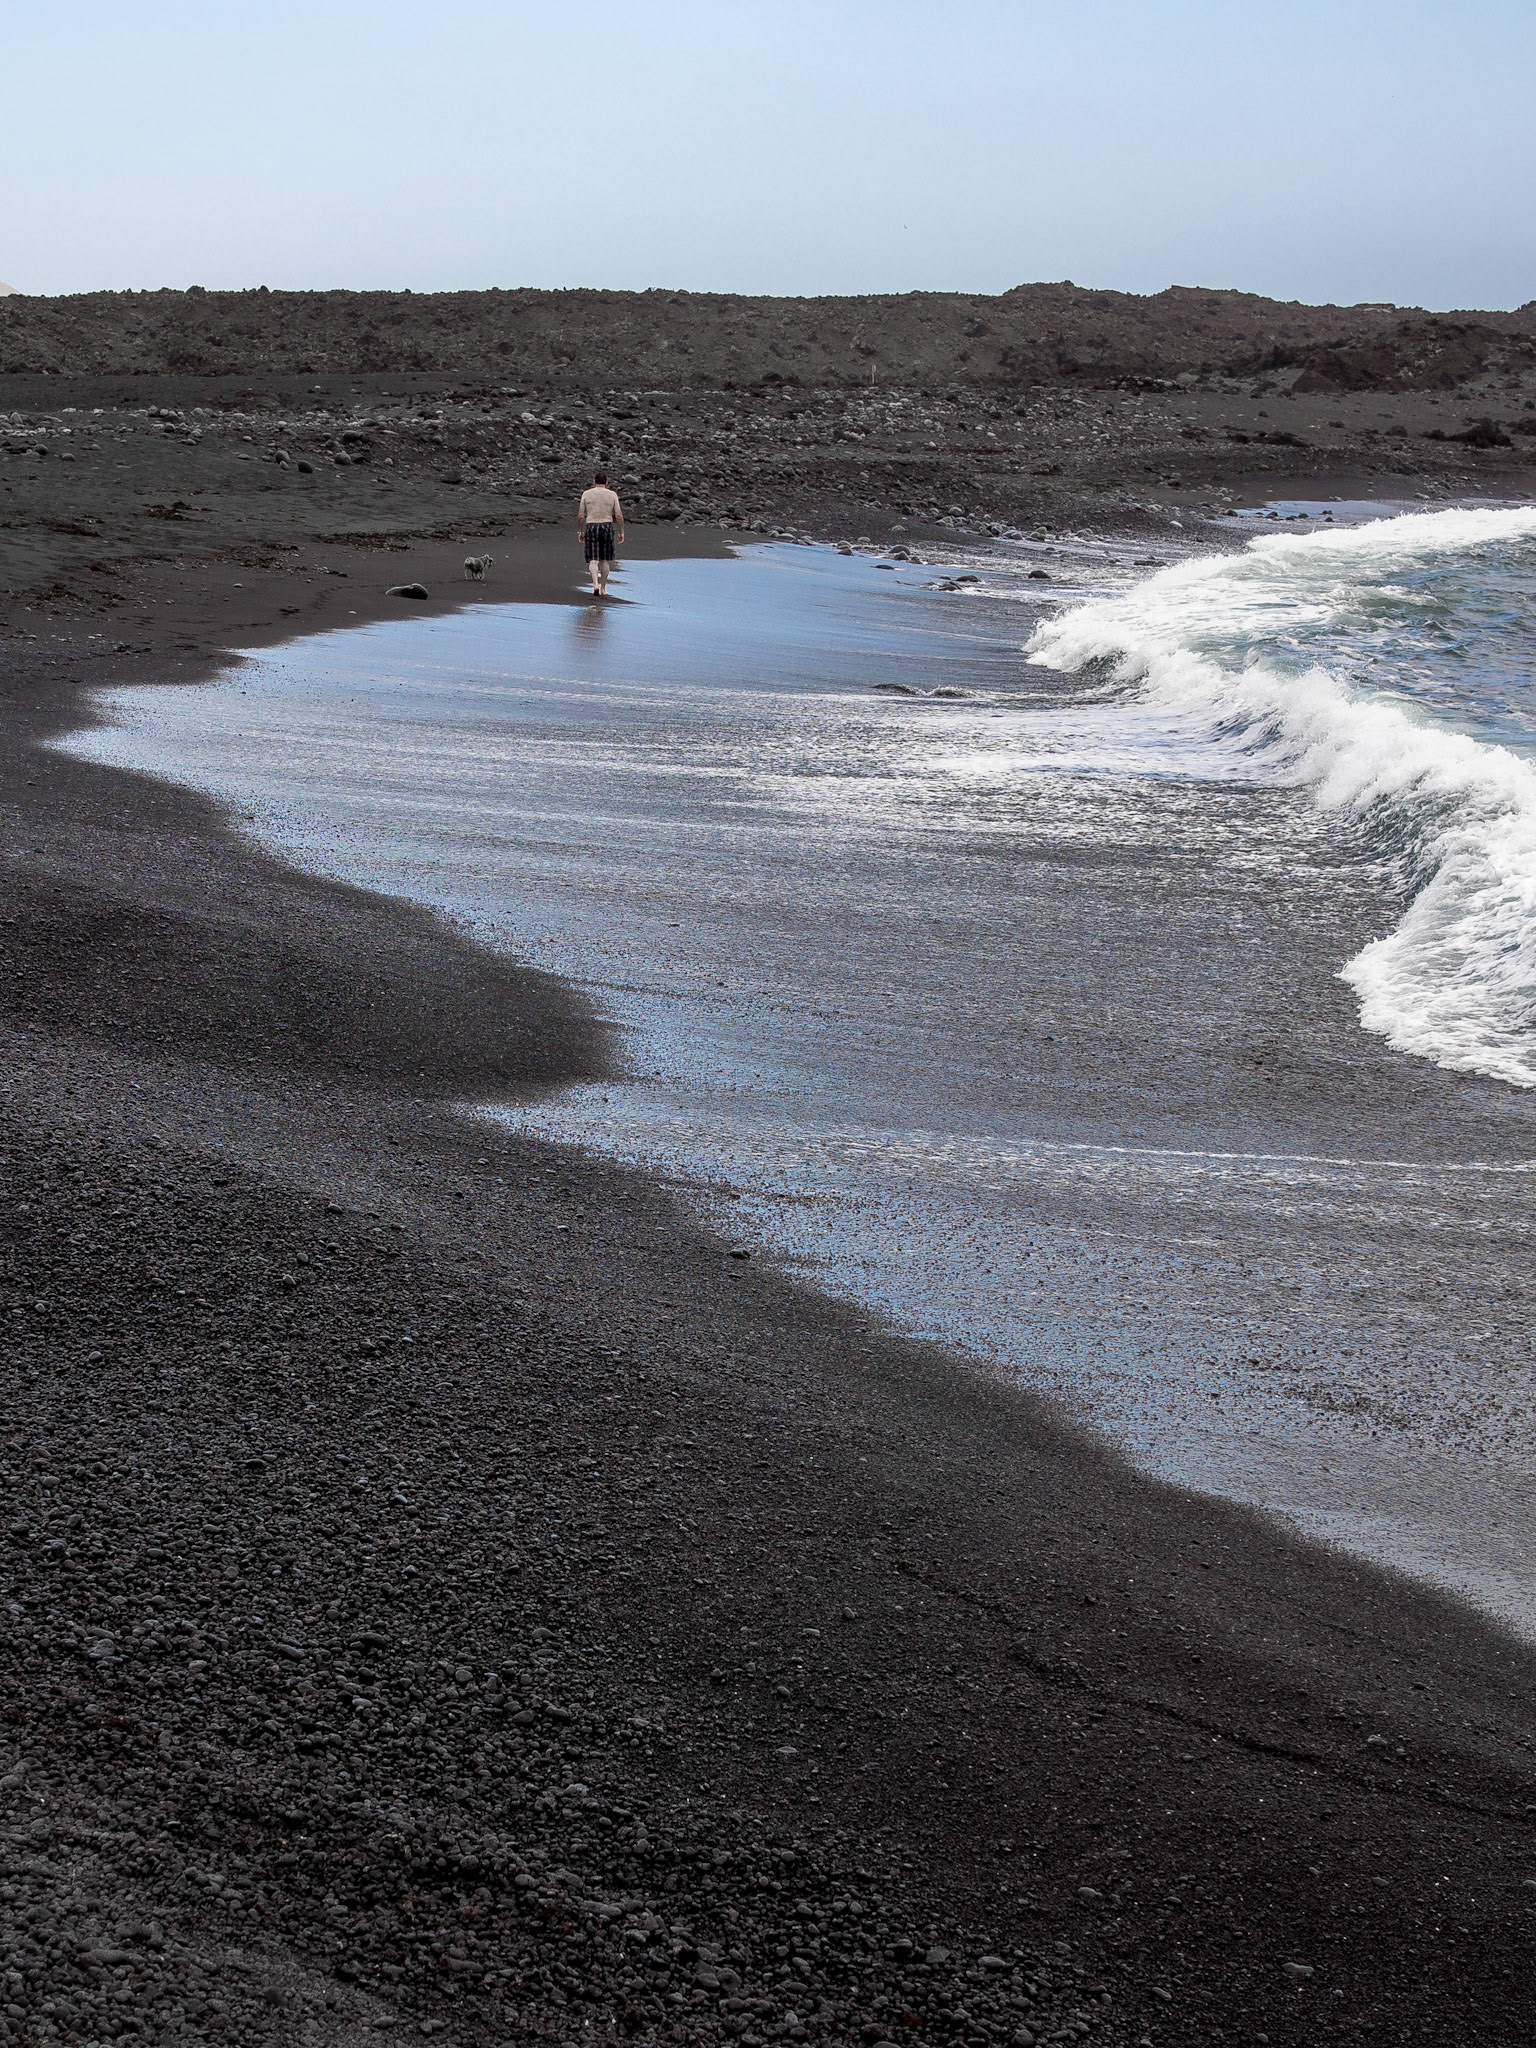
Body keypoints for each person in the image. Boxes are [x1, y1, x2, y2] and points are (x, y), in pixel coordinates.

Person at [577, 470, 625, 597]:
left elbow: (581, 515)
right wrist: (621, 531)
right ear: (606, 483)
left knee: (593, 560)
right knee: (605, 560)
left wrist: (580, 531)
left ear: (594, 482)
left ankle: (595, 585)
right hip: (607, 526)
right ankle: (603, 588)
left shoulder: (587, 494)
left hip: (592, 525)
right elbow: (618, 515)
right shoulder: (612, 495)